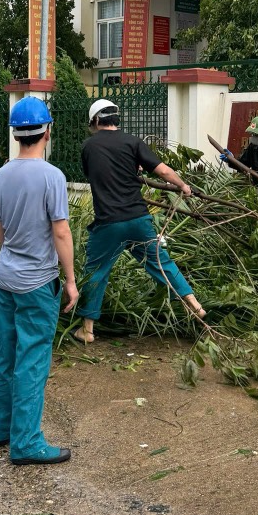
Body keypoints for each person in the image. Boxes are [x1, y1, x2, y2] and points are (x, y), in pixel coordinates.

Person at [0, 95, 78, 466]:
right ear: (47, 132)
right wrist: (70, 280)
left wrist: (12, 257)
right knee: (32, 360)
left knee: (4, 352)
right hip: (38, 283)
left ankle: (0, 430)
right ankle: (25, 443)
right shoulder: (51, 176)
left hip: (6, 278)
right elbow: (61, 232)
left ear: (15, 134)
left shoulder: (1, 175)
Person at [76, 98, 204, 344]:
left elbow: (95, 173)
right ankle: (195, 306)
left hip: (108, 223)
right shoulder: (133, 142)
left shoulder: (88, 146)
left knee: (95, 271)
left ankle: (87, 330)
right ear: (116, 118)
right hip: (138, 218)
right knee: (160, 262)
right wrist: (183, 186)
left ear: (96, 120)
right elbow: (163, 171)